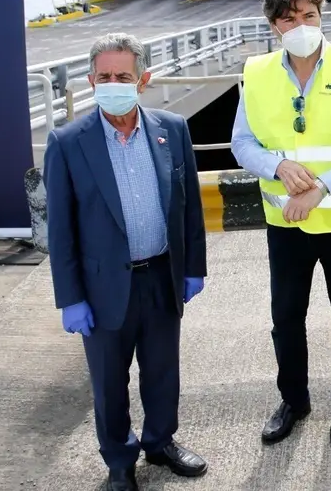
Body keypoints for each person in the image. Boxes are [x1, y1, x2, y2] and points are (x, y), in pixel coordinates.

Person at [44, 32, 209, 491]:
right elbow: (61, 231)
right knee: (109, 384)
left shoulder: (171, 129)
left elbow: (188, 206)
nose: (112, 83)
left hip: (160, 275)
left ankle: (160, 442)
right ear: (92, 80)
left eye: (123, 75)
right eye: (103, 76)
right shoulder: (68, 142)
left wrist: (193, 266)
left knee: (162, 371)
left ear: (143, 79)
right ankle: (119, 459)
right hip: (101, 288)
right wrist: (70, 298)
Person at [230, 0, 331, 447]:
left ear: (321, 16)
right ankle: (293, 401)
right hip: (286, 223)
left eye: (309, 15)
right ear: (275, 26)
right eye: (289, 18)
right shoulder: (255, 73)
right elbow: (241, 143)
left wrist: (320, 187)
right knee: (287, 318)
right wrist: (278, 166)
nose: (301, 24)